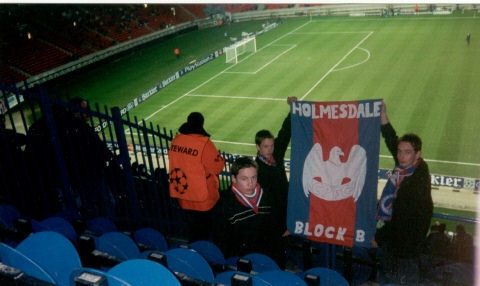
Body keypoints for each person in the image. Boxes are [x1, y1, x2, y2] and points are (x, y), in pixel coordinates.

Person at [372, 101, 433, 285]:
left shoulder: (415, 183)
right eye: (400, 152)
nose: (401, 156)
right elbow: (393, 142)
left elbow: (400, 219)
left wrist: (378, 238)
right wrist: (384, 118)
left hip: (405, 250)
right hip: (398, 246)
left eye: (407, 152)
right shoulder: (408, 169)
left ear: (418, 154)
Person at [214, 157, 285, 268]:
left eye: (254, 177)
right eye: (244, 179)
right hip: (241, 260)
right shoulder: (225, 203)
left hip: (267, 258)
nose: (250, 183)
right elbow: (222, 240)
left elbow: (274, 229)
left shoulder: (268, 196)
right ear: (233, 179)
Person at [168, 112, 225, 242]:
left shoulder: (176, 140)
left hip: (184, 196)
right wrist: (222, 160)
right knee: (207, 233)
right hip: (204, 200)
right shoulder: (204, 144)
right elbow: (217, 167)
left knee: (193, 232)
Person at [254, 96, 297, 236]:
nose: (270, 149)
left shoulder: (276, 153)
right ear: (258, 147)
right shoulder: (255, 170)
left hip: (286, 208)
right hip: (273, 217)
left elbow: (285, 132)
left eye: (271, 145)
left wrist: (292, 109)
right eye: (266, 146)